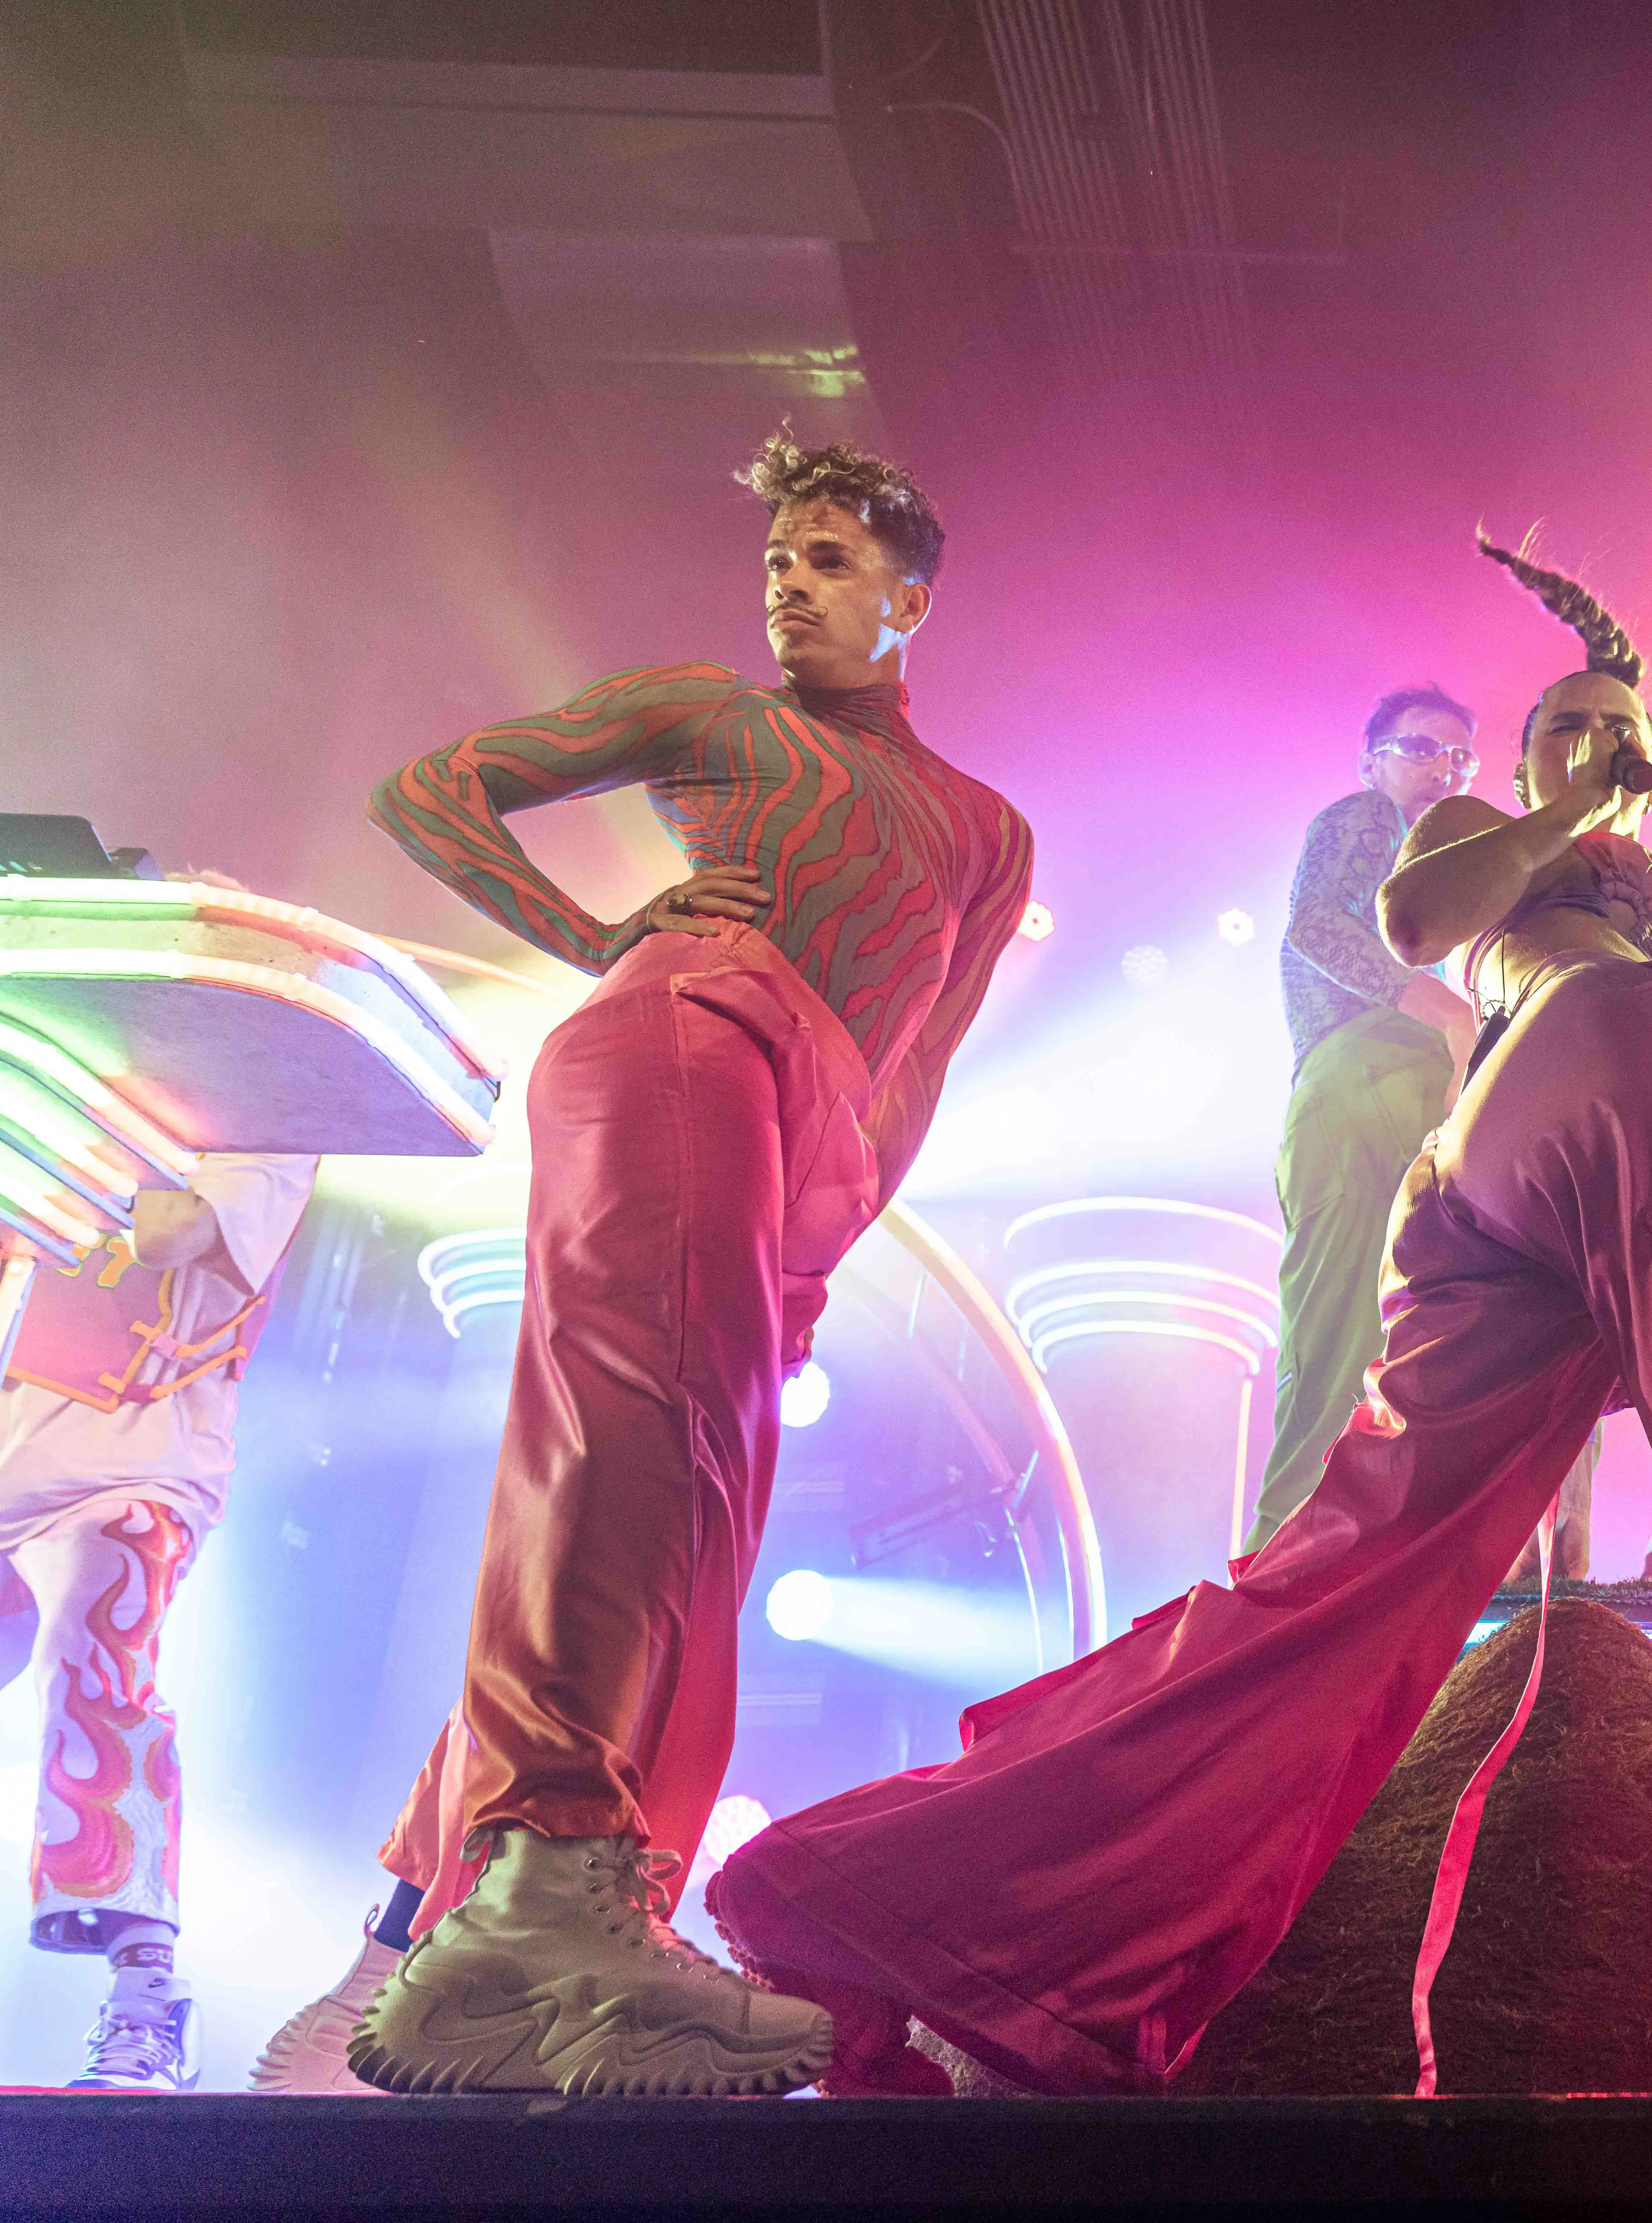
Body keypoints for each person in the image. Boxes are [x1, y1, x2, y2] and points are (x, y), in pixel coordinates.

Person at [702, 538, 1652, 2097]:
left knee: (1350, 1564)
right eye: (1569, 727)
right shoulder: (1493, 823)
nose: (1604, 751)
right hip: (1571, 1076)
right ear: (1524, 754)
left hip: (1516, 1153)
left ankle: (953, 1913)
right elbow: (1413, 919)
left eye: (1620, 737)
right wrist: (1575, 813)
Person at [261, 426, 1032, 2099]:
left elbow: (922, 1064)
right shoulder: (715, 710)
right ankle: (539, 1901)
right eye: (779, 558)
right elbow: (429, 793)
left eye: (830, 562)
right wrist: (601, 937)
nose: (791, 584)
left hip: (798, 1133)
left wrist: (826, 1231)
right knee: (626, 1445)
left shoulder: (986, 827)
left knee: (673, 1497)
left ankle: (437, 1919)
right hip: (690, 1026)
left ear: (913, 600)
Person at [2, 1145, 318, 2090]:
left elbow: (170, 1231)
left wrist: (98, 1132)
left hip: (137, 1467)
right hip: (17, 1453)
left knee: (93, 1663)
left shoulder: (269, 1119)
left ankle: (147, 1995)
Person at [1249, 686, 1483, 1553]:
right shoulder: (1363, 817)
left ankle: (1358, 1563)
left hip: (1419, 1104)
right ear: (1372, 759)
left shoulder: (1455, 877)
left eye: (1461, 758)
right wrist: (1446, 1010)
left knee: (1409, 1350)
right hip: (1354, 1088)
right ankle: (1279, 1570)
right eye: (1422, 748)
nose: (1443, 770)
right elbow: (1314, 925)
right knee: (1335, 1343)